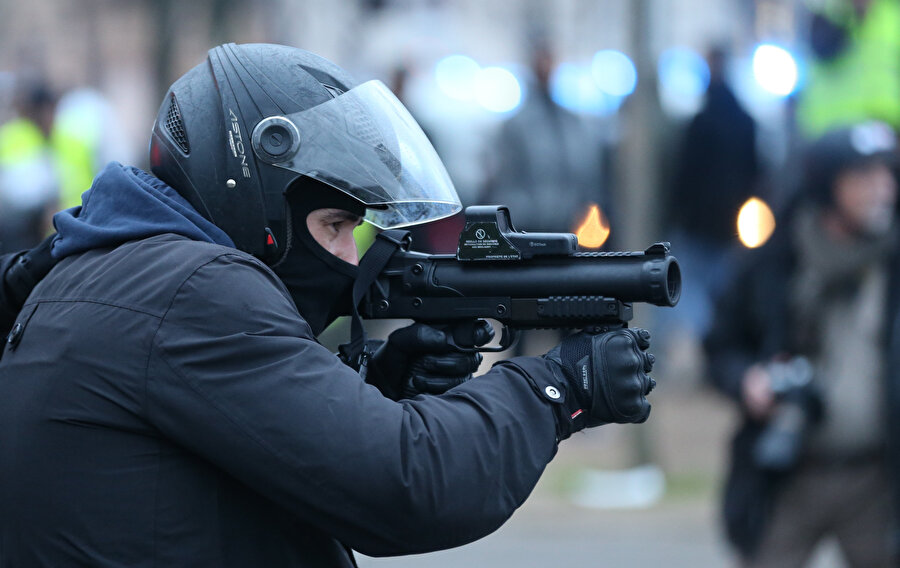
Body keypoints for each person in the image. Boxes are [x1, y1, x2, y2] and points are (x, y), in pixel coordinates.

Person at [0, 43, 656, 567]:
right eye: (335, 226)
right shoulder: (191, 290)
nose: (349, 256)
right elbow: (407, 486)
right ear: (257, 206)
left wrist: (377, 386)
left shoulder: (126, 274)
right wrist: (557, 386)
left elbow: (230, 455)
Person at [705, 121, 900, 567]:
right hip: (789, 473)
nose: (882, 190)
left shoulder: (892, 264)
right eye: (864, 177)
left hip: (877, 478)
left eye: (887, 175)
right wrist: (747, 382)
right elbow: (719, 347)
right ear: (828, 185)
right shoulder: (774, 263)